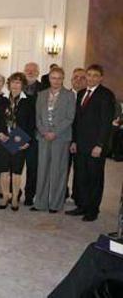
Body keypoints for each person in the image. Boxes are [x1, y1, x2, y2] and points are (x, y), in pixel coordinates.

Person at [66, 64, 115, 221]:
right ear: (85, 76)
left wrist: (100, 145)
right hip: (80, 144)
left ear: (101, 78)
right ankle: (82, 205)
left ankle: (92, 210)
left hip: (95, 146)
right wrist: (73, 141)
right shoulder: (81, 94)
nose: (91, 78)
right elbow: (77, 121)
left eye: (95, 75)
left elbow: (105, 123)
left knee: (95, 178)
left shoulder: (106, 95)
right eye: (89, 75)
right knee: (81, 176)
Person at [32, 67, 75, 213]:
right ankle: (40, 203)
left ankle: (55, 204)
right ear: (49, 79)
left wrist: (55, 132)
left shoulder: (69, 95)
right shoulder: (41, 94)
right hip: (43, 137)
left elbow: (70, 117)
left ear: (63, 79)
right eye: (53, 78)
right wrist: (44, 131)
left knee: (58, 171)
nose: (56, 81)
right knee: (42, 170)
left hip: (61, 138)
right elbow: (37, 116)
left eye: (59, 78)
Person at [0, 72, 35, 211]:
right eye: (13, 82)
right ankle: (6, 196)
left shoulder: (29, 101)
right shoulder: (2, 99)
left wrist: (27, 141)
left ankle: (15, 198)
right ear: (9, 84)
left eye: (18, 83)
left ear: (23, 85)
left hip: (20, 141)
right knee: (4, 170)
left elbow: (32, 123)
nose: (15, 85)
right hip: (4, 139)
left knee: (17, 171)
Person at [22, 62, 42, 206]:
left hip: (35, 134)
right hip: (18, 133)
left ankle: (30, 195)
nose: (30, 72)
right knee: (15, 165)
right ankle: (13, 192)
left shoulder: (44, 89)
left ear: (38, 72)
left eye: (33, 70)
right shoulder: (17, 86)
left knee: (32, 167)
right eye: (27, 70)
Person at [67, 67, 87, 203]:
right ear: (71, 80)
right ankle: (61, 193)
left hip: (82, 140)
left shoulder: (89, 97)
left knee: (80, 170)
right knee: (62, 169)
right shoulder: (64, 95)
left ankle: (77, 195)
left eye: (82, 78)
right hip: (64, 138)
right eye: (76, 77)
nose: (78, 80)